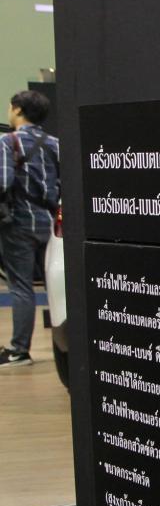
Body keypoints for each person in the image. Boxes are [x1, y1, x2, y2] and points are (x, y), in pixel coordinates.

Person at [0, 90, 62, 367]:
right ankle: (66, 347)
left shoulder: (7, 142)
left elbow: (3, 182)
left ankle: (19, 350)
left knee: (22, 287)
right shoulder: (54, 144)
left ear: (16, 110)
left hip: (19, 224)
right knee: (55, 286)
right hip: (49, 223)